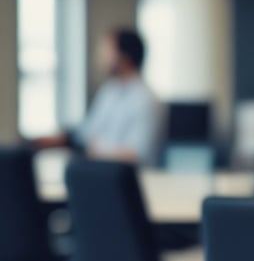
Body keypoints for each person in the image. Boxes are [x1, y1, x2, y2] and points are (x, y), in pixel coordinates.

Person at [35, 27, 160, 165]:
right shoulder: (109, 91)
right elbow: (87, 133)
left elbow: (136, 154)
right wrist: (56, 140)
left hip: (130, 177)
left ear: (125, 57)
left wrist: (95, 150)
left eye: (107, 51)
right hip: (100, 171)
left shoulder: (145, 100)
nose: (101, 57)